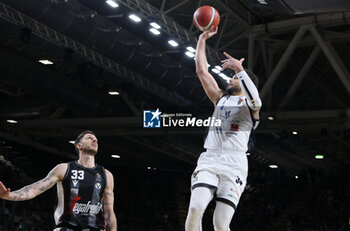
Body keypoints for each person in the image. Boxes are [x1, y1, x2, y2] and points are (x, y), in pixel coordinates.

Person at [185, 26, 261, 231]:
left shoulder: (252, 107)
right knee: (196, 208)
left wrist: (240, 70)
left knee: (220, 224)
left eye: (234, 78)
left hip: (235, 163)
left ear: (245, 83)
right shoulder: (220, 98)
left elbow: (256, 98)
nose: (230, 78)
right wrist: (201, 40)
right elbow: (202, 71)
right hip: (210, 158)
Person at [0, 131, 117, 231]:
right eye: (89, 138)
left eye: (95, 139)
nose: (94, 140)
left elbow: (109, 212)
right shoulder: (64, 169)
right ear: (79, 145)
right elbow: (34, 189)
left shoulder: (106, 175)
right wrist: (9, 195)